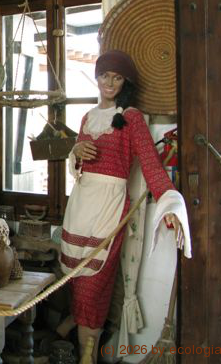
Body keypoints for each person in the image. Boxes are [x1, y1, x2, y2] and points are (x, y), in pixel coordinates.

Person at [60, 49, 187, 363]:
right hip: (80, 206)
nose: (109, 83)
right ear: (97, 76)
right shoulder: (87, 118)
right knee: (76, 281)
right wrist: (77, 151)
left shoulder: (132, 118)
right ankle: (82, 344)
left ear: (124, 82)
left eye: (117, 78)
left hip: (109, 208)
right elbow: (78, 166)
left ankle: (87, 354)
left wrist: (171, 202)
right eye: (105, 75)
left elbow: (151, 165)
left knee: (94, 286)